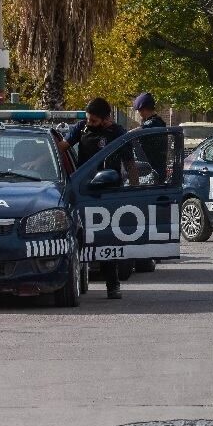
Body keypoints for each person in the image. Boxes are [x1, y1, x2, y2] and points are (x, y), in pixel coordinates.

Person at [56, 98, 137, 299]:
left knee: (106, 239)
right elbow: (63, 146)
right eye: (88, 119)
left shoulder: (117, 133)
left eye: (93, 120)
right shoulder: (82, 128)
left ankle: (113, 284)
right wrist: (39, 157)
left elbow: (129, 162)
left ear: (106, 119)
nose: (89, 123)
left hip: (108, 192)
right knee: (80, 237)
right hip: (84, 191)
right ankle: (78, 281)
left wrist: (135, 190)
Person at [132, 92, 167, 183]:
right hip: (154, 169)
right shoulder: (159, 122)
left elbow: (137, 132)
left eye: (139, 111)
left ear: (143, 110)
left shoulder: (152, 124)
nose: (139, 114)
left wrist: (126, 135)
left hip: (152, 171)